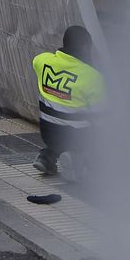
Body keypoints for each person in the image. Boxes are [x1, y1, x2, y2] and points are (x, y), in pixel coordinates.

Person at [31, 25, 104, 177]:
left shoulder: (42, 61)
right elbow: (100, 117)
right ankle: (78, 158)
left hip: (48, 132)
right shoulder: (92, 77)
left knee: (61, 123)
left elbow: (37, 61)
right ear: (85, 48)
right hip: (75, 136)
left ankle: (46, 157)